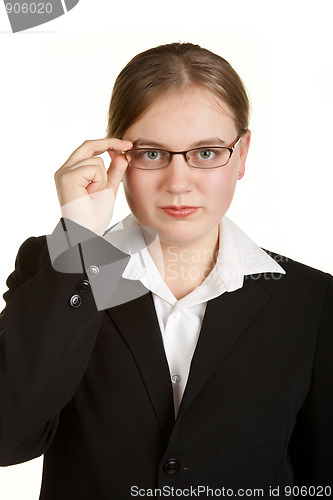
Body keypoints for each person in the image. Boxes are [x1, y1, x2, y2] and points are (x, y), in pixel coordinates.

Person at [0, 42, 332, 500]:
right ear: (116, 155)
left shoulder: (312, 301)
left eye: (208, 152)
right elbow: (7, 436)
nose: (179, 183)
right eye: (152, 153)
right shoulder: (60, 271)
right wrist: (80, 242)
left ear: (242, 154)